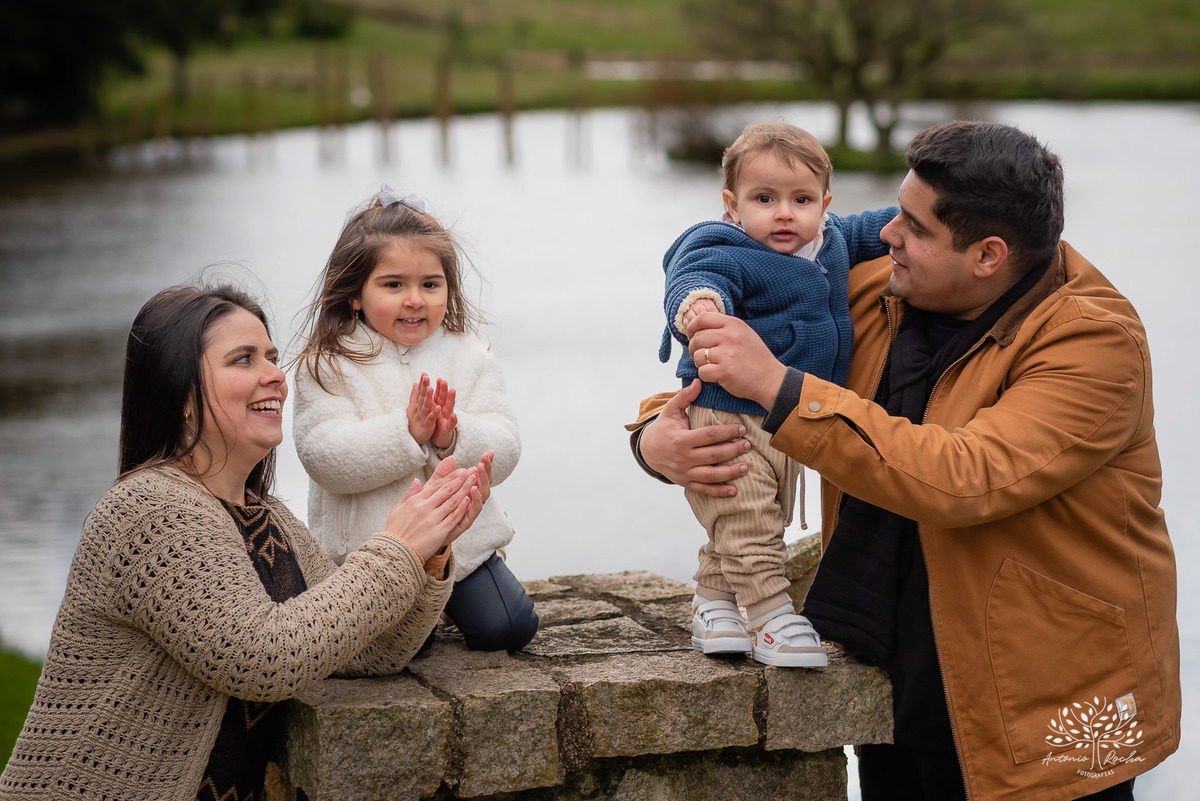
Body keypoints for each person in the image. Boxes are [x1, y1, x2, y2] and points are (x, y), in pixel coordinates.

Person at [629, 120, 1179, 800]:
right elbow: (738, 366)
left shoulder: (1095, 342)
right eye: (895, 210)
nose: (887, 233)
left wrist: (778, 387)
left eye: (913, 227)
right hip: (896, 682)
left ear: (987, 255)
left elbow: (965, 476)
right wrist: (656, 436)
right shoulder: (873, 285)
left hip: (1046, 708)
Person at [0, 284, 491, 801]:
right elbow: (263, 657)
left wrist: (429, 554)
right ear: (182, 396)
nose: (275, 375)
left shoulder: (267, 519)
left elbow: (369, 651)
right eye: (243, 359)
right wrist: (396, 549)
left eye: (273, 357)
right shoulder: (148, 509)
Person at [658, 121, 896, 667]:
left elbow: (884, 225)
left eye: (801, 199)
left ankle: (712, 603)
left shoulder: (831, 241)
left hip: (787, 413)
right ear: (732, 204)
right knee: (747, 518)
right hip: (725, 411)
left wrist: (934, 210)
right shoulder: (726, 246)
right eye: (764, 198)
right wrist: (700, 309)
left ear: (824, 204)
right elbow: (695, 276)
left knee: (760, 512)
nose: (784, 213)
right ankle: (770, 617)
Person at [292, 185, 537, 654]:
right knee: (402, 647)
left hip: (462, 549)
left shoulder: (471, 356)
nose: (414, 300)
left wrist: (452, 437)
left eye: (430, 284)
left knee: (507, 628)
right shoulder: (328, 364)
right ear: (355, 294)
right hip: (375, 555)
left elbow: (505, 449)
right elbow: (324, 456)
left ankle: (456, 596)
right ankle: (419, 615)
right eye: (393, 285)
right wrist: (407, 434)